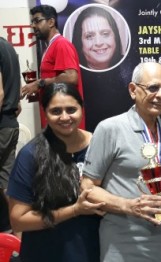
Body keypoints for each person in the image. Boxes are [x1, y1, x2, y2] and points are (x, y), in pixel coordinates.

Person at [81, 62, 161, 262]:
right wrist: (127, 206)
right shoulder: (110, 129)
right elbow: (87, 188)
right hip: (123, 247)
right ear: (133, 90)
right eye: (152, 87)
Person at [7, 83, 104, 262]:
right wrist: (75, 210)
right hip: (46, 253)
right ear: (45, 112)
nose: (65, 117)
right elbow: (18, 220)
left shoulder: (100, 146)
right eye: (56, 111)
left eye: (71, 109)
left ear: (82, 109)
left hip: (95, 251)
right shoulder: (31, 154)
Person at [21, 4, 85, 129]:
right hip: (56, 119)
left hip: (64, 123)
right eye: (32, 22)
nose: (33, 25)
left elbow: (71, 78)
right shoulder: (51, 46)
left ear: (51, 22)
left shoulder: (61, 44)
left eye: (37, 21)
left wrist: (39, 83)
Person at [0, 37, 21, 233]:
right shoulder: (7, 46)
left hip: (1, 125)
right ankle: (17, 238)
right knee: (6, 182)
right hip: (10, 124)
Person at [72, 6, 123, 71]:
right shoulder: (71, 72)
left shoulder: (131, 67)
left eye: (105, 34)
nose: (98, 43)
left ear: (115, 37)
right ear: (79, 42)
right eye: (89, 36)